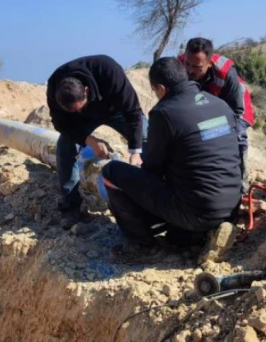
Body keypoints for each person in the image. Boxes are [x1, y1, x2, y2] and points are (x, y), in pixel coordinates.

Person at [101, 57, 242, 263]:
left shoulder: (163, 113)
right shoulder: (220, 104)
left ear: (160, 88)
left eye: (155, 91)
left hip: (197, 212)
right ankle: (189, 235)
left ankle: (143, 246)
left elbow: (153, 170)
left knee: (112, 172)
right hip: (231, 207)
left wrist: (138, 169)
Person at [46, 54, 148, 229]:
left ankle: (159, 192)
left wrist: (135, 151)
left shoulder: (108, 70)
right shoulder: (55, 84)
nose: (76, 110)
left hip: (114, 110)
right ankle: (71, 206)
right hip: (82, 122)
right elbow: (60, 123)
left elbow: (133, 112)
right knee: (65, 147)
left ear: (86, 91)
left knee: (147, 137)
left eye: (80, 106)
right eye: (70, 110)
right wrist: (89, 140)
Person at [177, 38, 255, 194]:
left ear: (209, 64)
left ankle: (240, 183)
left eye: (197, 67)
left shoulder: (226, 71)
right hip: (204, 105)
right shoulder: (179, 66)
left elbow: (235, 111)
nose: (190, 70)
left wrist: (212, 128)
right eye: (188, 64)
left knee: (236, 137)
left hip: (234, 107)